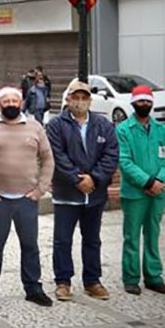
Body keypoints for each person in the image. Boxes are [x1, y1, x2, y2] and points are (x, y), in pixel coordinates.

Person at [0, 86, 55, 307]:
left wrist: (41, 189)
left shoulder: (35, 127)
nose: (10, 104)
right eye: (5, 101)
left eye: (14, 100)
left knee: (30, 245)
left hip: (26, 200)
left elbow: (48, 159)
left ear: (21, 103)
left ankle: (33, 288)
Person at [45, 80, 119, 302]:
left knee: (92, 239)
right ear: (67, 99)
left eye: (84, 97)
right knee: (62, 240)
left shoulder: (103, 124)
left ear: (90, 100)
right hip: (67, 193)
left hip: (95, 194)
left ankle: (92, 281)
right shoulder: (56, 125)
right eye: (75, 97)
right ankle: (63, 282)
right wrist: (77, 179)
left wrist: (94, 178)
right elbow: (57, 156)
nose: (79, 101)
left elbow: (111, 154)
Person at [116, 84, 165, 296]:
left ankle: (153, 276)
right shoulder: (123, 129)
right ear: (133, 103)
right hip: (135, 193)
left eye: (148, 101)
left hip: (158, 192)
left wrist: (159, 181)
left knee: (153, 234)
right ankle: (131, 278)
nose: (145, 104)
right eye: (141, 100)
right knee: (131, 236)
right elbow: (124, 161)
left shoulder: (161, 129)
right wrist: (148, 182)